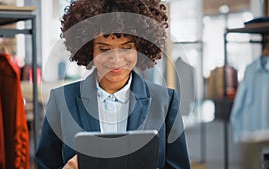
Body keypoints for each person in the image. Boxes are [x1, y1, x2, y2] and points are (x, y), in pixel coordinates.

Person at [36, 0, 190, 169]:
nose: (116, 59)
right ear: (89, 50)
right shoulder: (61, 101)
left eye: (126, 48)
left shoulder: (165, 102)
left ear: (140, 48)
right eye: (104, 49)